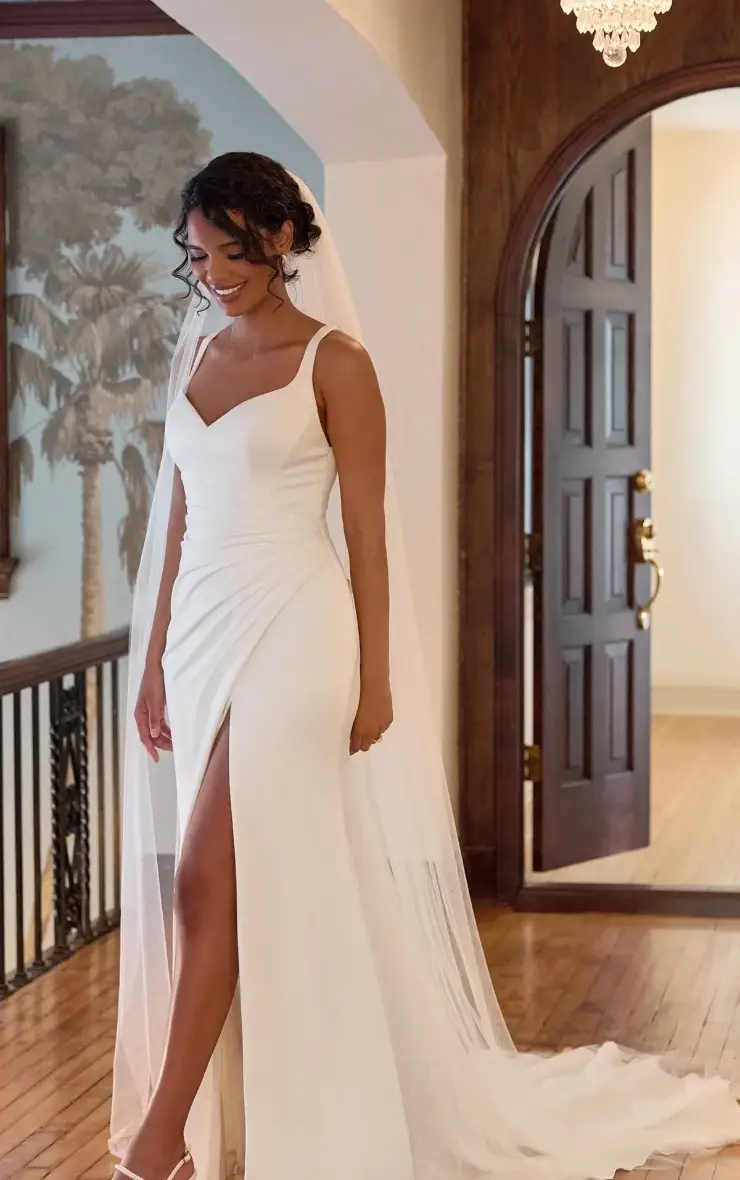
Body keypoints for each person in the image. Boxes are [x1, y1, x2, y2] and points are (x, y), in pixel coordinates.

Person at [110, 153, 740, 1180]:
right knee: (231, 888)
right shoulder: (195, 356)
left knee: (204, 878)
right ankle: (227, 1122)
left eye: (231, 249)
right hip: (200, 635)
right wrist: (150, 665)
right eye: (196, 254)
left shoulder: (336, 361)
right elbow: (177, 517)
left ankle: (158, 1142)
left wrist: (378, 676)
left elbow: (365, 533)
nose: (213, 271)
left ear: (279, 240)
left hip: (299, 628)